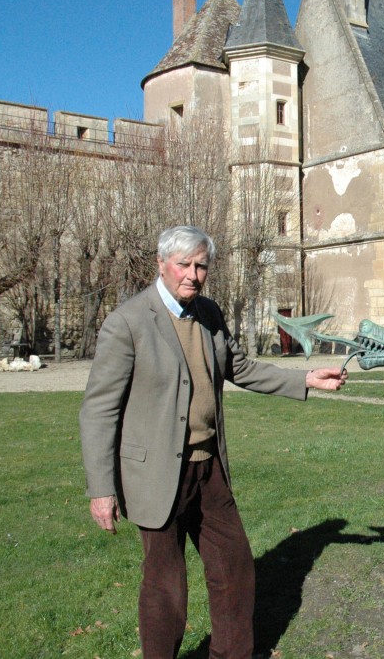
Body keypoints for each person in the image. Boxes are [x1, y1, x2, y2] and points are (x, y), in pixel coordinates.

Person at [79, 225, 346, 659]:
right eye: (183, 264)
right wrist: (101, 489)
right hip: (155, 474)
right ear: (161, 264)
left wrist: (306, 379)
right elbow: (98, 411)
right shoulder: (127, 322)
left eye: (201, 266)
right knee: (165, 586)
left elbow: (240, 368)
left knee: (234, 570)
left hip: (209, 470)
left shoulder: (208, 314)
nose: (193, 274)